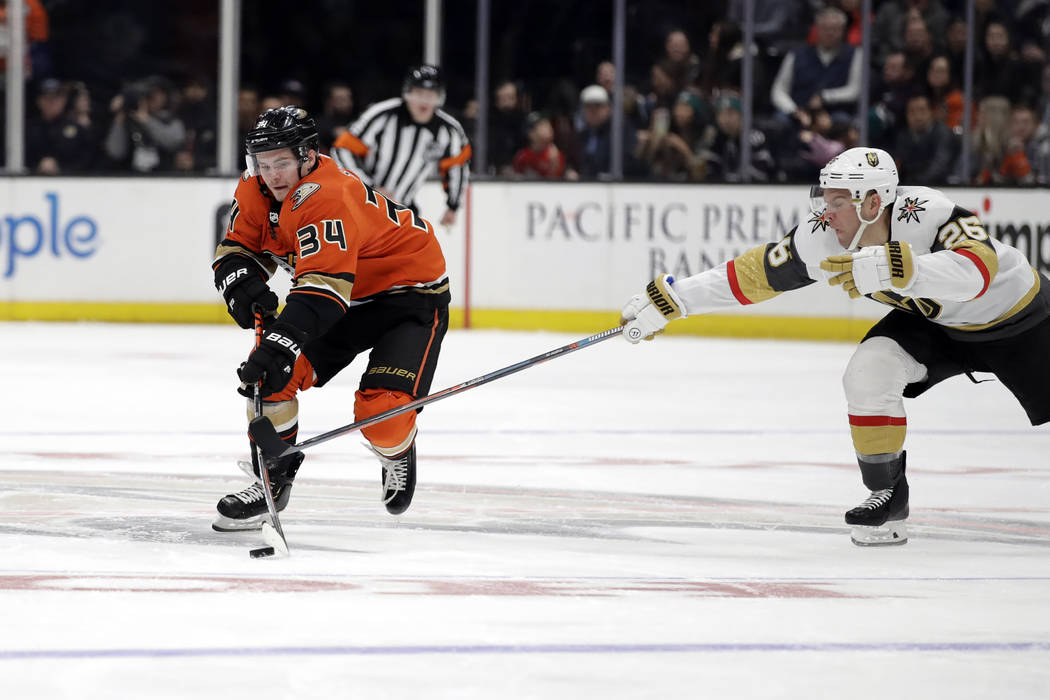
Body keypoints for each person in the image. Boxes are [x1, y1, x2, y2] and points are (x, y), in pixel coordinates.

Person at [619, 146, 1050, 547]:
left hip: (1023, 319)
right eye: (825, 199)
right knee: (868, 372)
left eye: (839, 201)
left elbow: (979, 271)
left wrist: (899, 266)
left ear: (873, 203)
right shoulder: (824, 234)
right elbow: (753, 275)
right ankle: (887, 495)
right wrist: (675, 301)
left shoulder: (928, 213)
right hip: (934, 323)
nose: (828, 213)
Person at [210, 106, 450, 531]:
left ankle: (396, 449)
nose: (272, 174)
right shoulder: (255, 187)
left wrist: (280, 343)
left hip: (409, 294)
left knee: (383, 415)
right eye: (262, 164)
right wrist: (239, 281)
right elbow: (238, 248)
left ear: (306, 155)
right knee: (270, 380)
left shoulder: (327, 195)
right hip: (345, 296)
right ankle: (272, 482)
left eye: (281, 162)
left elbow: (323, 295)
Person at [332, 64, 471, 227]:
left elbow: (457, 165)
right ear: (407, 93)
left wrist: (452, 206)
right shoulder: (382, 115)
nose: (425, 101)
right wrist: (370, 188)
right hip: (360, 205)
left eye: (431, 95)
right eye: (419, 93)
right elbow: (343, 149)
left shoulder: (449, 130)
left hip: (403, 211)